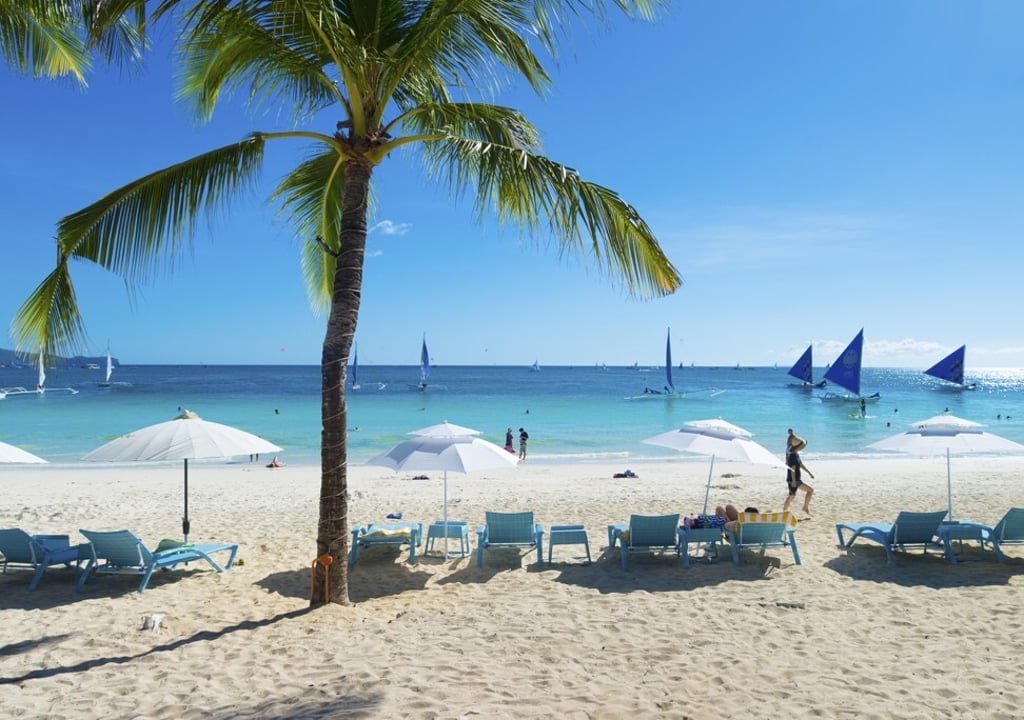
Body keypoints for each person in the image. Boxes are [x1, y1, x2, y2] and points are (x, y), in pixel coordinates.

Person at [783, 447, 814, 515]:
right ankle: (804, 508)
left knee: (792, 496)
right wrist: (793, 480)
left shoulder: (796, 455)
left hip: (796, 480)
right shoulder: (792, 456)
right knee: (809, 491)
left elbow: (801, 465)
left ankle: (804, 507)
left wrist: (809, 473)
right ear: (797, 448)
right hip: (793, 480)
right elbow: (792, 469)